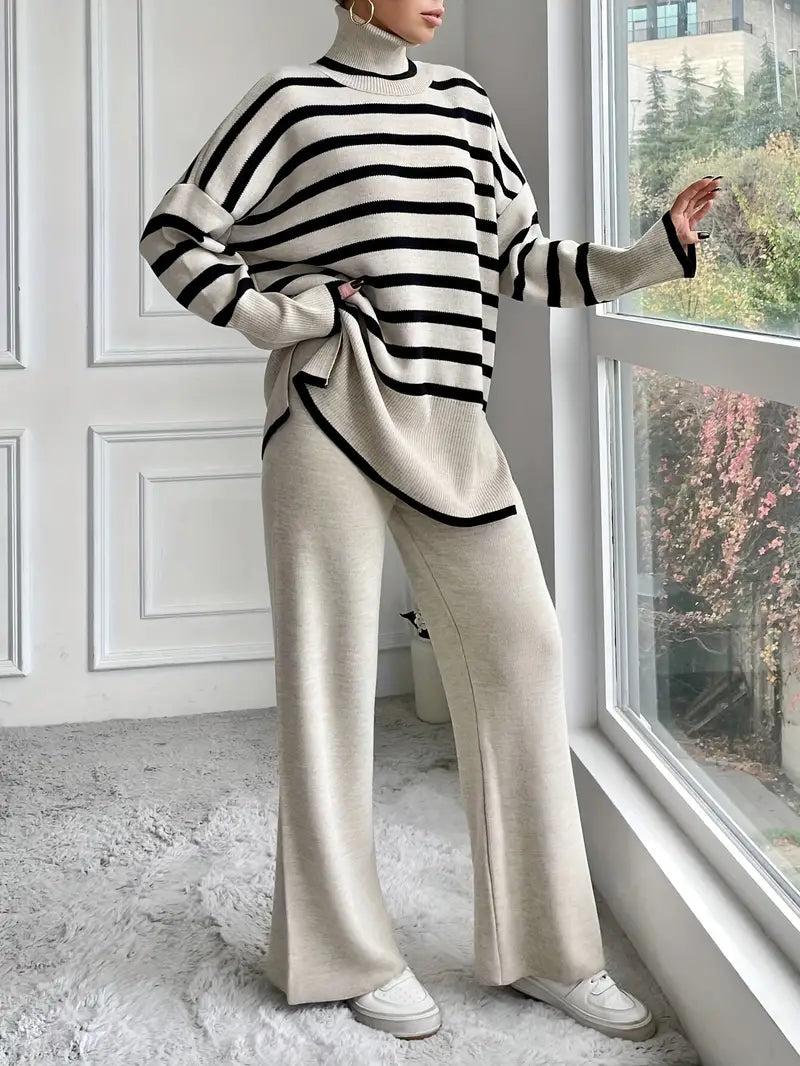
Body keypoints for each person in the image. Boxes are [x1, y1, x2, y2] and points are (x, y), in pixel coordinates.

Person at [139, 0, 719, 1044]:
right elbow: (174, 236)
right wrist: (291, 315)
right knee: (326, 685)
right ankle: (343, 954)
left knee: (523, 653)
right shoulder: (291, 102)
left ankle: (547, 950)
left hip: (450, 424)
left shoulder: (464, 104)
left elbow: (520, 259)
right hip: (329, 411)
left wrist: (649, 254)